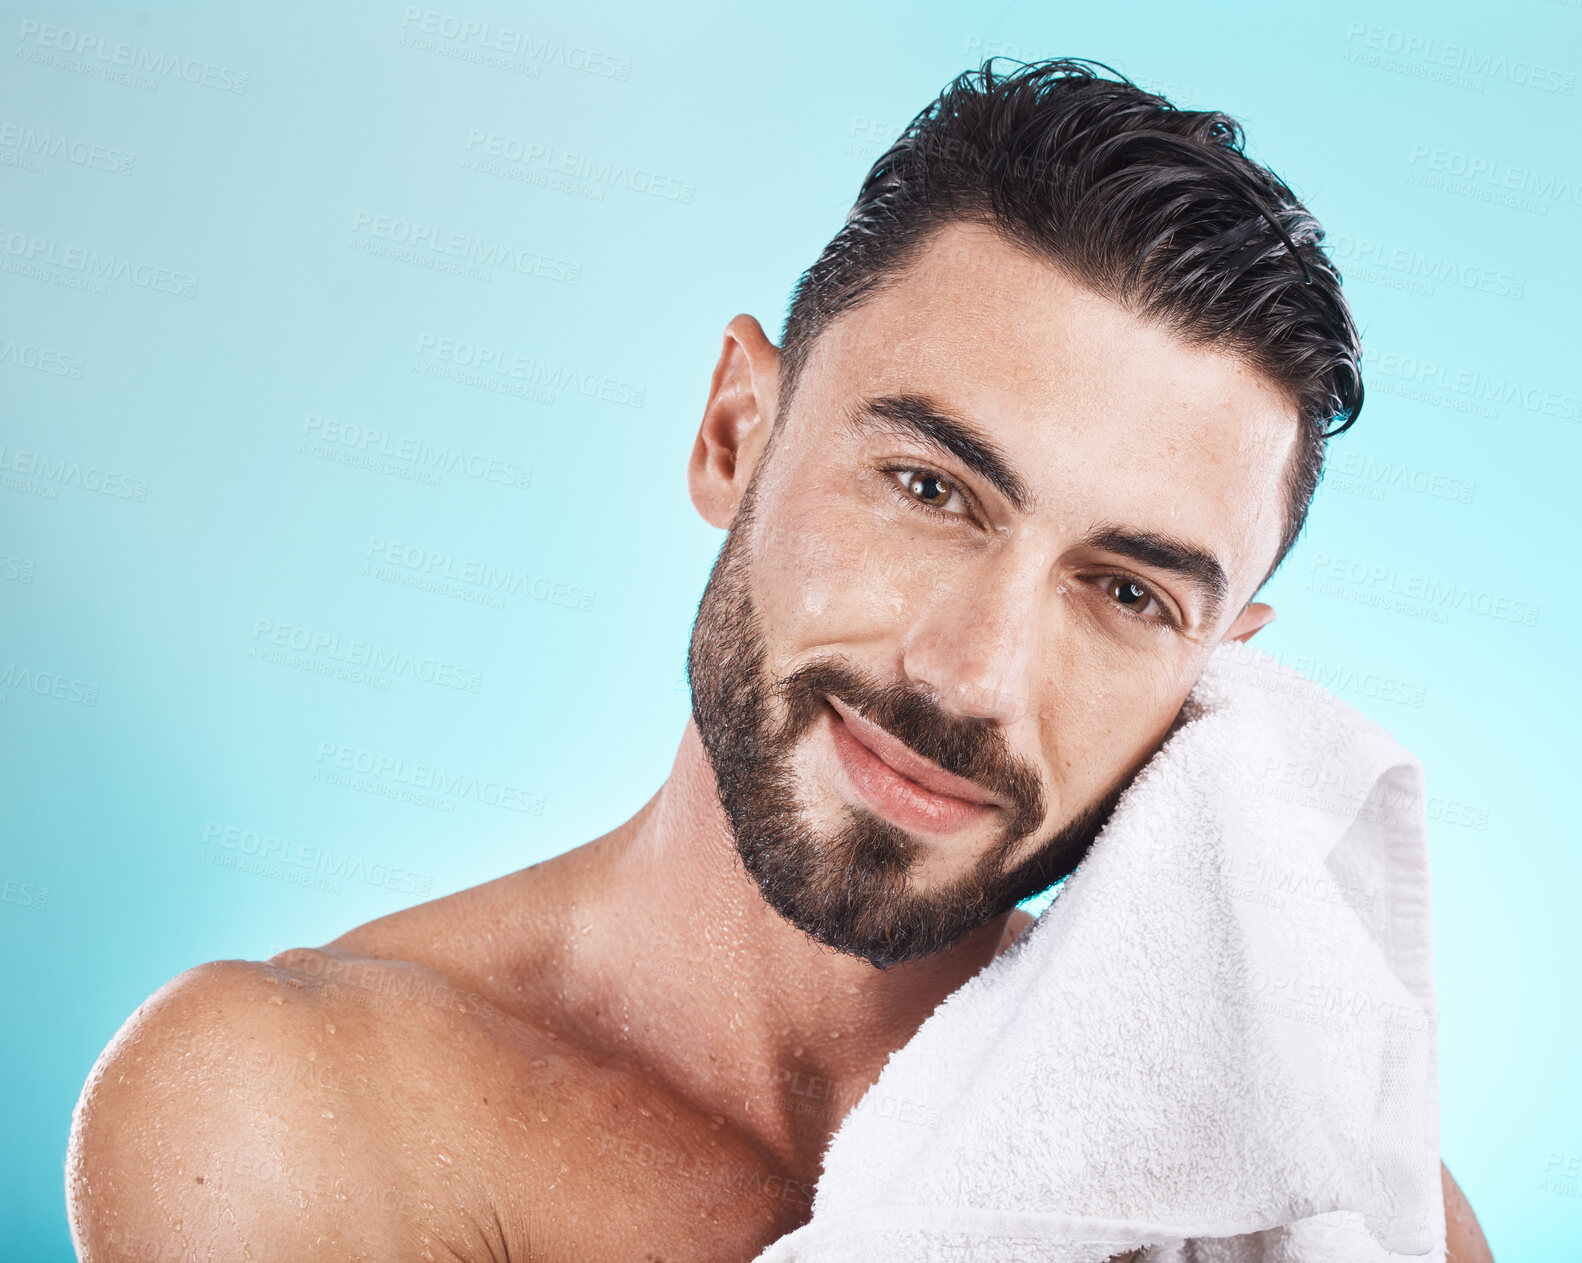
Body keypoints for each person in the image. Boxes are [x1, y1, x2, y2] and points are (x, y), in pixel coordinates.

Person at [67, 59, 1493, 1262]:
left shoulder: (1321, 1193)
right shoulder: (302, 1103)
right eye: (930, 489)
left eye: (1121, 591)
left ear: (1215, 678)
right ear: (732, 433)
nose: (969, 675)